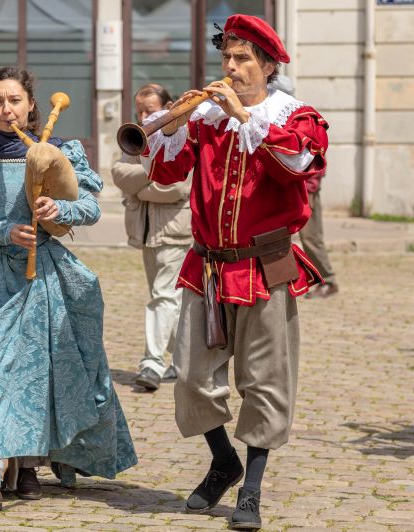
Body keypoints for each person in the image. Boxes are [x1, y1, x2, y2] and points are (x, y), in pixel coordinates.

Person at [0, 66, 137, 512]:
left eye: (14, 100)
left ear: (31, 105)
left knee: (37, 376)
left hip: (44, 279)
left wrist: (60, 208)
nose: (6, 109)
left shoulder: (58, 150)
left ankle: (29, 465)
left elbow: (89, 207)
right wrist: (3, 231)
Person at [140, 15, 328, 529]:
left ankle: (252, 488)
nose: (231, 66)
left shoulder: (296, 117)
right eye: (226, 57)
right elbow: (164, 173)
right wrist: (173, 124)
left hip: (265, 265)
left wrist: (245, 116)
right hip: (207, 266)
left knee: (265, 381)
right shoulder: (206, 119)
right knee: (193, 378)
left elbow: (295, 166)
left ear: (268, 65)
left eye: (243, 58)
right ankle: (223, 460)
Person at [112, 83, 192, 392]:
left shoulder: (180, 136)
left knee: (163, 296)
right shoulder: (136, 135)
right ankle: (183, 364)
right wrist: (154, 175)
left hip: (175, 231)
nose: (144, 116)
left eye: (150, 110)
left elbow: (178, 186)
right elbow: (119, 173)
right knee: (168, 300)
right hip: (145, 231)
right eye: (140, 110)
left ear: (168, 106)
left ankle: (152, 363)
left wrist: (144, 178)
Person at [269, 76, 338, 298]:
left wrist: (308, 188)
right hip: (282, 192)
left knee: (311, 238)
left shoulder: (299, 117)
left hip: (304, 191)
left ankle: (328, 280)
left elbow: (314, 161)